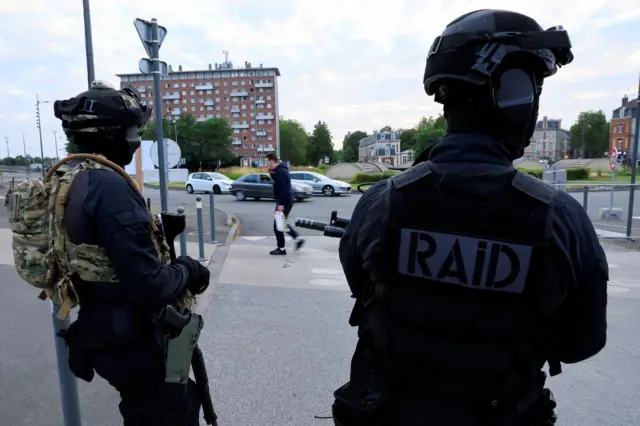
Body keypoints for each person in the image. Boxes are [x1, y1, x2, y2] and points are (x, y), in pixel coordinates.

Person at [333, 9, 607, 426]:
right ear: (514, 94)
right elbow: (581, 343)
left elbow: (363, 285)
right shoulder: (561, 219)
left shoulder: (380, 203)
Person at [51, 81, 211, 426]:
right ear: (111, 134)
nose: (136, 139)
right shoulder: (109, 186)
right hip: (134, 339)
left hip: (103, 327)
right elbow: (150, 286)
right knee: (170, 412)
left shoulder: (71, 176)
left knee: (151, 410)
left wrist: (160, 236)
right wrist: (189, 268)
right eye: (132, 129)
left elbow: (100, 249)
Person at [265, 153, 305, 254]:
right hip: (284, 200)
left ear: (272, 161)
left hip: (285, 201)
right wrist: (271, 173)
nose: (266, 163)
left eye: (267, 161)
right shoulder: (277, 171)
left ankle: (282, 248)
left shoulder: (281, 172)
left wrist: (281, 204)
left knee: (278, 225)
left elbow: (284, 189)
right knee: (281, 224)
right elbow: (278, 184)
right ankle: (297, 239)